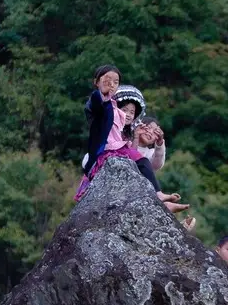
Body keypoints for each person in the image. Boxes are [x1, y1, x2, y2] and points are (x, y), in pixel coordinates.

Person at [75, 66, 187, 213]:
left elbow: (136, 156)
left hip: (120, 153)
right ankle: (161, 202)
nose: (128, 114)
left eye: (115, 82)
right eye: (107, 81)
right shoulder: (103, 108)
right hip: (105, 152)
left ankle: (159, 195)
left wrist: (138, 137)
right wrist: (102, 93)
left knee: (142, 163)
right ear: (97, 82)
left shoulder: (126, 131)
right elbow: (97, 107)